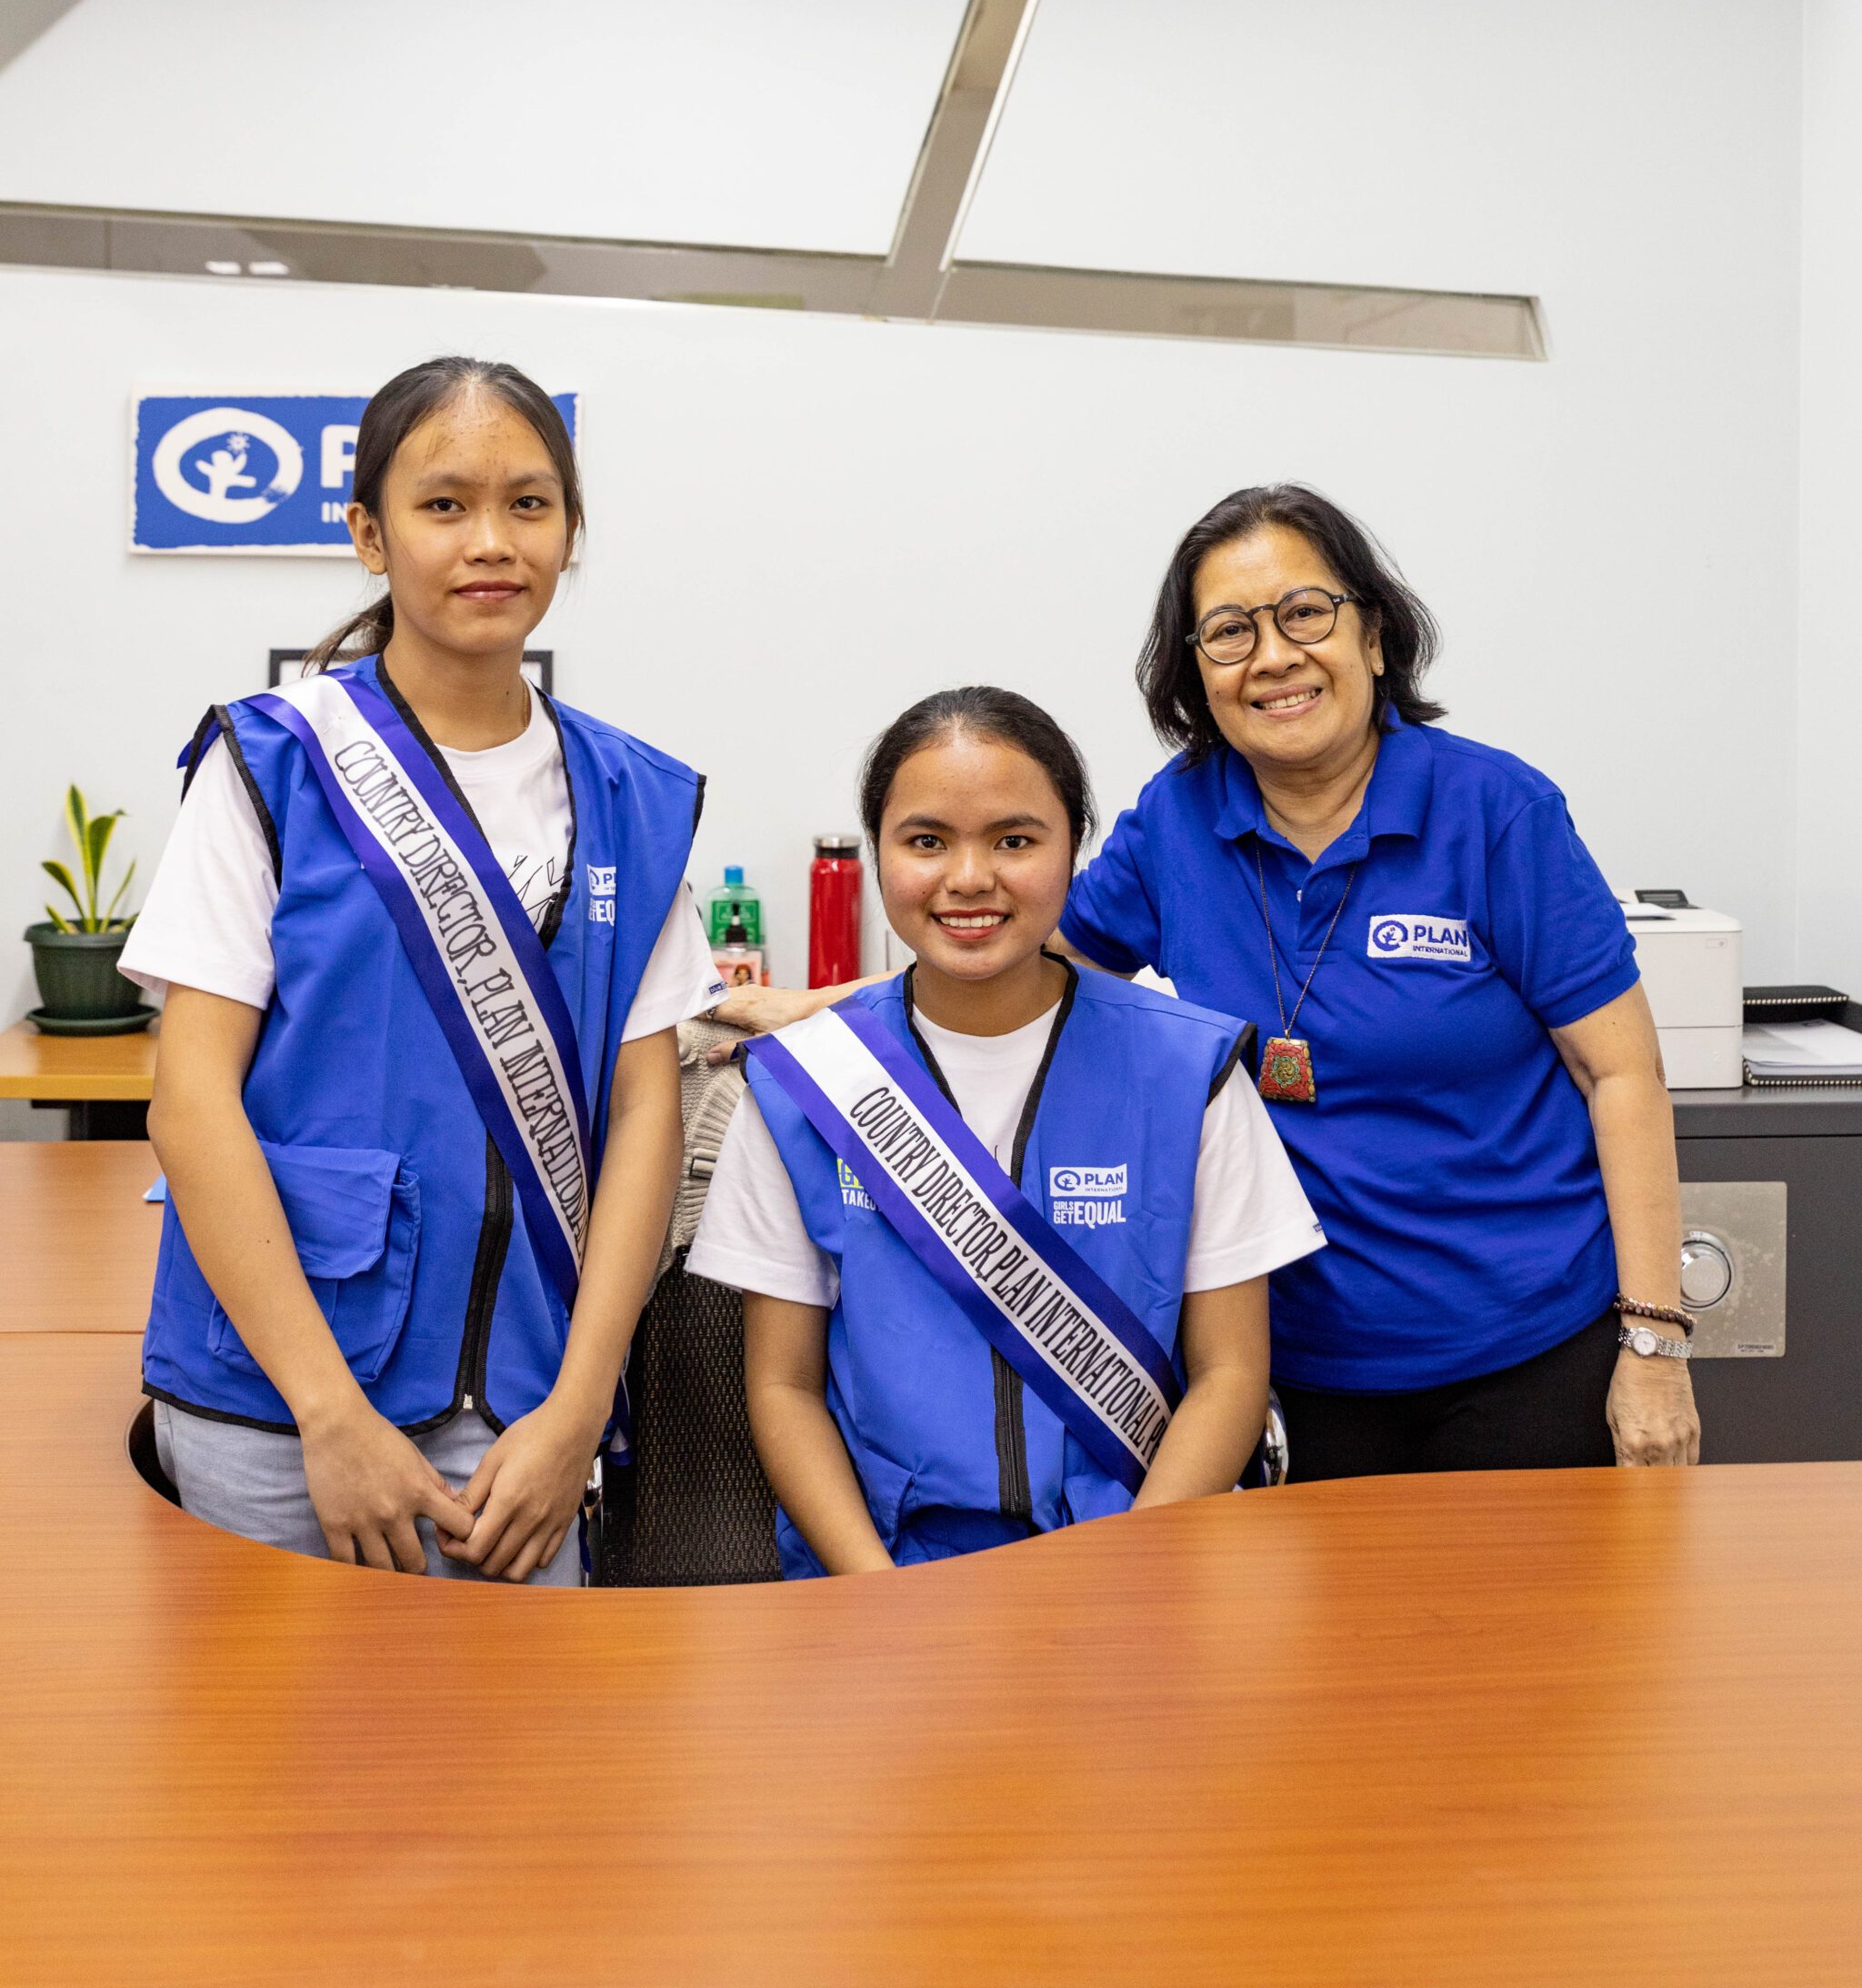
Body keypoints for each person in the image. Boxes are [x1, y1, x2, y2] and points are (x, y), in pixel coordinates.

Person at [125, 356, 721, 1580]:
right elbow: (190, 1104)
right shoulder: (271, 766)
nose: (490, 541)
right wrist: (327, 1415)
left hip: (523, 1426)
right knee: (260, 1761)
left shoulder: (632, 799)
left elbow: (649, 1112)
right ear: (367, 532)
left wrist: (580, 1406)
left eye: (530, 503)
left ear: (571, 531)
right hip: (276, 1406)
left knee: (503, 1765)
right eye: (444, 505)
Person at [1053, 483, 1700, 1481]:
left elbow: (1621, 1077)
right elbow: (1025, 974)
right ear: (1195, 673)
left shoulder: (1495, 810)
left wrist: (1653, 1348)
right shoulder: (1176, 820)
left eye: (1304, 613)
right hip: (1294, 1370)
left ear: (1375, 638)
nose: (1271, 655)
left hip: (1527, 1352)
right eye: (1227, 632)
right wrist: (826, 1012)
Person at [685, 688, 1325, 1574]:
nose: (968, 877)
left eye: (1013, 840)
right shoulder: (800, 1090)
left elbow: (1228, 1376)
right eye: (926, 841)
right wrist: (876, 1591)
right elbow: (782, 1385)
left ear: (1073, 852)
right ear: (879, 856)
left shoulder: (1190, 1074)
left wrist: (1127, 1570)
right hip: (884, 1581)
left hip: (1136, 1562)